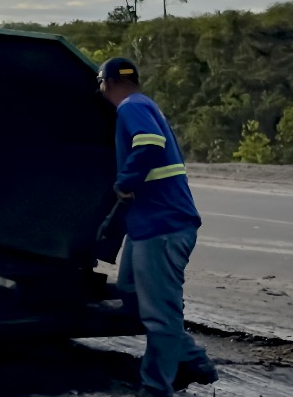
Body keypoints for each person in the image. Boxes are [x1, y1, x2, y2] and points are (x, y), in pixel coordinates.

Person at [98, 57, 216, 397]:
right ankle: (188, 359)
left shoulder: (131, 107)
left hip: (163, 227)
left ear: (107, 83)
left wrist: (125, 180)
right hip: (148, 226)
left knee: (159, 317)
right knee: (129, 290)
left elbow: (149, 142)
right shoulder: (145, 103)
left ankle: (158, 385)